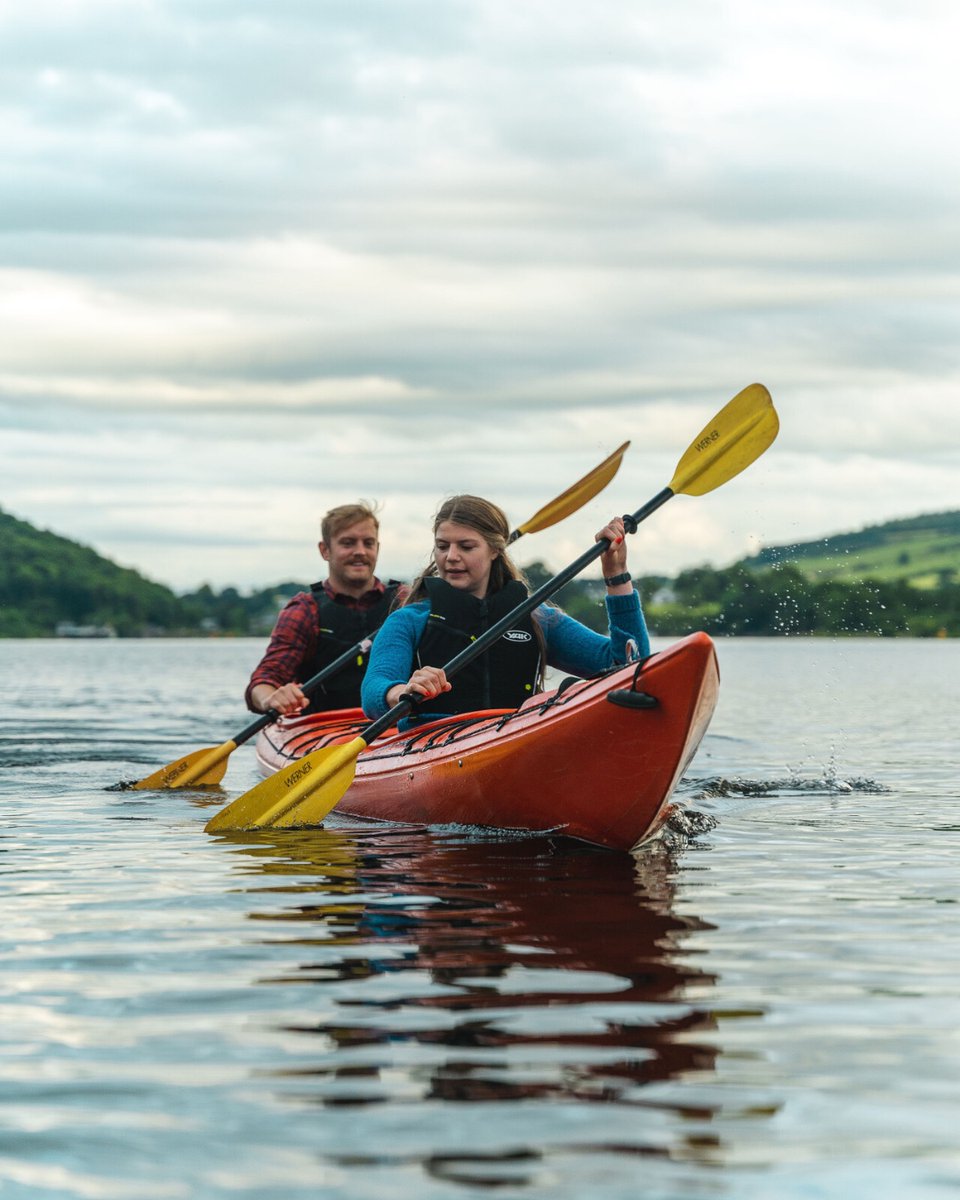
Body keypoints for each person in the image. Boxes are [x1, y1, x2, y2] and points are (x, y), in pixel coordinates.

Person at [360, 494, 650, 723]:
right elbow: (374, 691)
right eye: (442, 546)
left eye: (466, 546)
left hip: (514, 734)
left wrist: (617, 574)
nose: (451, 557)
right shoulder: (409, 620)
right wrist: (402, 692)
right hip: (430, 741)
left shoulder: (537, 618)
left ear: (495, 550)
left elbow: (630, 666)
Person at [246, 502, 405, 716]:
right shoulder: (304, 610)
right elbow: (265, 680)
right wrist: (270, 699)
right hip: (323, 730)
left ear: (377, 548)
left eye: (368, 543)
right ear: (325, 550)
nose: (360, 551)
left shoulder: (404, 601)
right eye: (348, 543)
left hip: (396, 725)